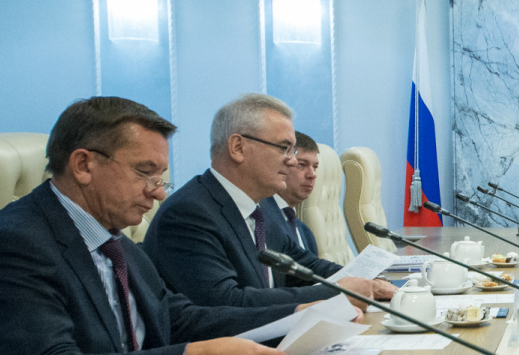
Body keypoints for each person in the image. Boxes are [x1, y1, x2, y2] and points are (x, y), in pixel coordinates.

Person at [0, 98, 346, 355]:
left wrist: (297, 315)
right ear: (84, 165)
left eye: (161, 176)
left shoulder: (115, 241)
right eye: (144, 172)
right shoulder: (18, 243)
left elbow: (177, 319)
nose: (159, 191)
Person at [144, 94, 393, 307]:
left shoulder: (264, 206)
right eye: (284, 148)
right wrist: (338, 293)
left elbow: (305, 268)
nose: (292, 161)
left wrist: (366, 281)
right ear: (238, 147)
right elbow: (226, 303)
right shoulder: (189, 214)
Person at [261, 131, 321, 256]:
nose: (312, 175)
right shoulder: (261, 218)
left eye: (315, 167)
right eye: (301, 165)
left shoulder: (306, 232)